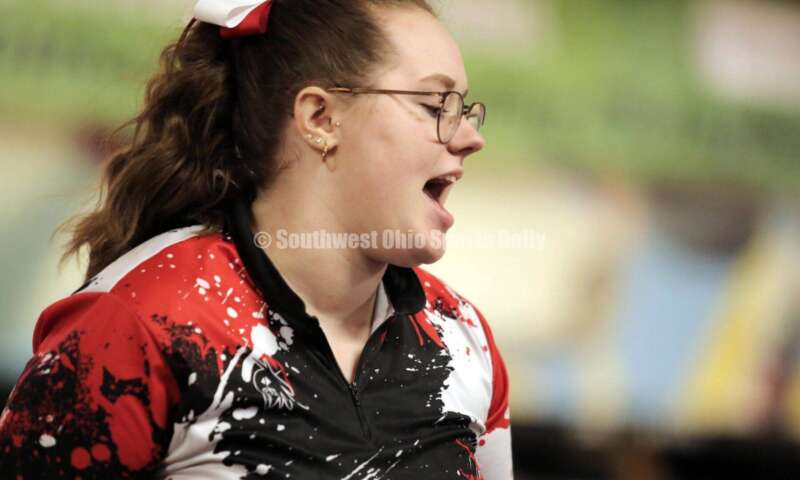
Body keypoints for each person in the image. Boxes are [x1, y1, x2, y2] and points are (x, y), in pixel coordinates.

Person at [0, 0, 512, 477]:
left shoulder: (463, 338)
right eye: (434, 104)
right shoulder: (137, 325)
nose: (470, 136)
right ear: (320, 117)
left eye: (464, 108)